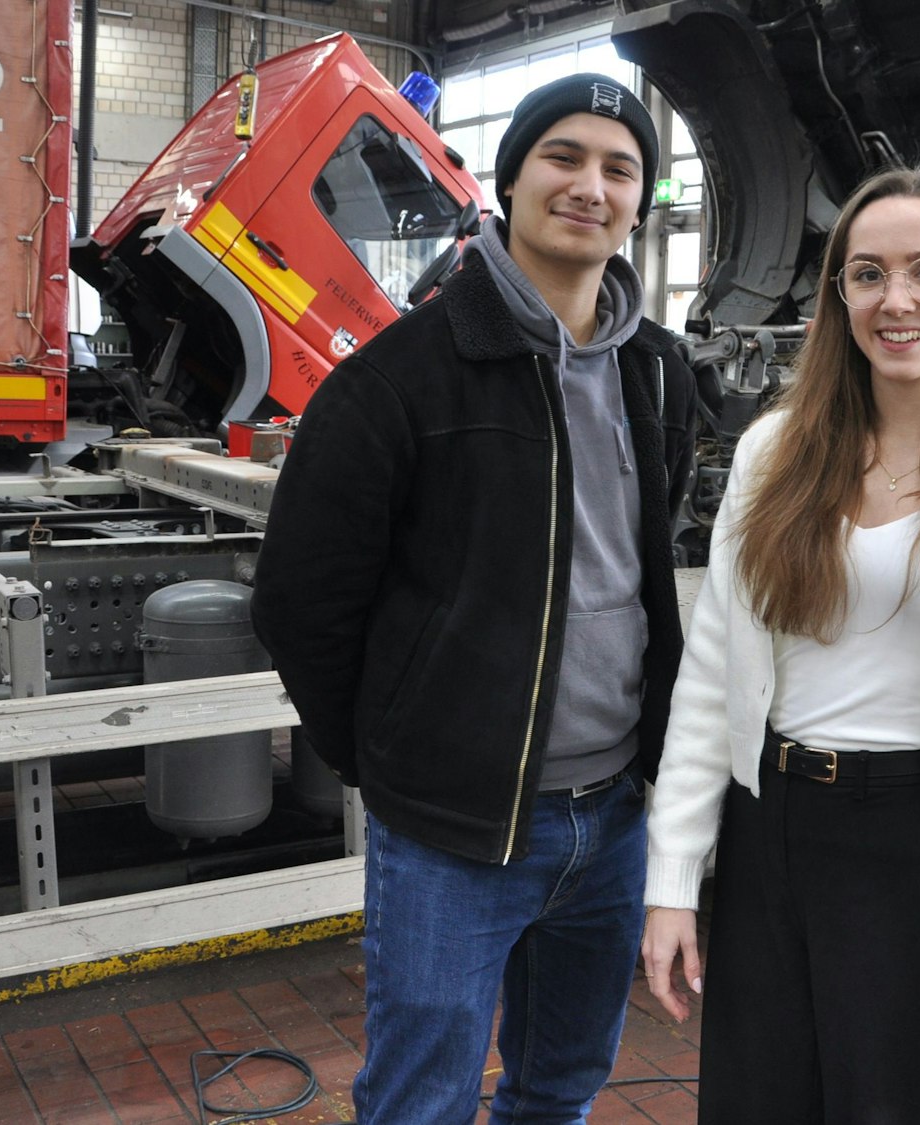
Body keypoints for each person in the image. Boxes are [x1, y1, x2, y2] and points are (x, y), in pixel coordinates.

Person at [251, 73, 702, 1124]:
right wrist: (392, 756)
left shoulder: (660, 373)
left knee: (561, 1084)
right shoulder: (399, 377)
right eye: (563, 157)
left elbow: (640, 566)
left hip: (613, 820)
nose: (589, 185)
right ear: (509, 179)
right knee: (421, 1100)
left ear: (640, 199)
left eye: (618, 167)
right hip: (454, 833)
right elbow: (301, 602)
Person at [639, 166, 920, 1123]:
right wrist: (673, 880)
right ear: (838, 296)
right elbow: (713, 678)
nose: (896, 300)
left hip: (919, 855)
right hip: (770, 831)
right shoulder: (776, 455)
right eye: (867, 274)